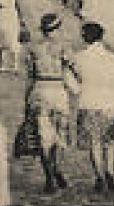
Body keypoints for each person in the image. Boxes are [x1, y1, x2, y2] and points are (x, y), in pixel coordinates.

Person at [69, 21, 114, 194]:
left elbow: (72, 83)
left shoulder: (78, 57)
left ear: (84, 37)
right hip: (110, 103)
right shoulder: (112, 58)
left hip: (88, 102)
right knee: (109, 142)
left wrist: (78, 90)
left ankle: (99, 177)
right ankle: (110, 172)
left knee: (94, 142)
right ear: (101, 37)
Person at [19, 12, 74, 191]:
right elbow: (74, 74)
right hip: (58, 92)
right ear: (57, 29)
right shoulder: (64, 49)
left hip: (40, 91)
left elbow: (29, 78)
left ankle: (49, 176)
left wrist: (26, 100)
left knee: (43, 136)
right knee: (59, 135)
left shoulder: (33, 49)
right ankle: (56, 168)